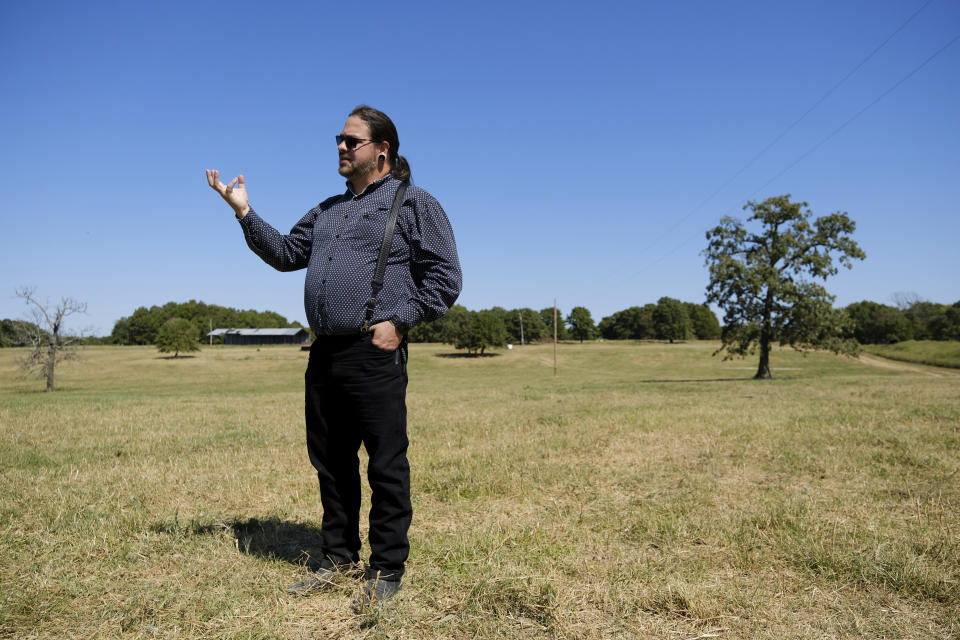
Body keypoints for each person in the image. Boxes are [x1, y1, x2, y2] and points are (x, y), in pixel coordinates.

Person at [205, 105, 462, 611]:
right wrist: (243, 211)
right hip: (323, 353)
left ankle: (387, 568)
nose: (341, 148)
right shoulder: (327, 210)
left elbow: (446, 278)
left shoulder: (413, 204)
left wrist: (400, 321)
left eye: (352, 141)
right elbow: (283, 253)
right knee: (331, 463)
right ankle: (337, 558)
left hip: (374, 351)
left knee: (385, 464)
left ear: (382, 149)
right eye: (338, 141)